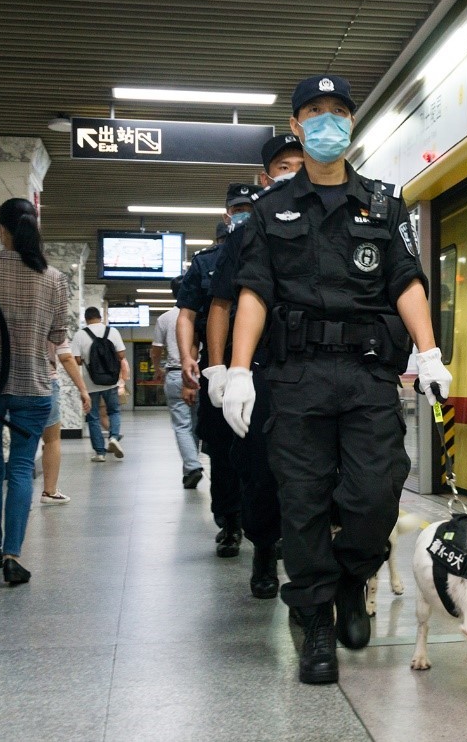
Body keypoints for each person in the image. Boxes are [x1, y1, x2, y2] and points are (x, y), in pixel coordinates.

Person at [223, 74, 451, 685]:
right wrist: (239, 369)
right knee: (301, 500)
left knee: (375, 494)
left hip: (367, 376)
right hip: (297, 378)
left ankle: (354, 577)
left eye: (339, 111)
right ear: (296, 125)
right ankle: (315, 622)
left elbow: (406, 279)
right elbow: (254, 293)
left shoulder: (383, 202)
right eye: (315, 111)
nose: (328, 120)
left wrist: (428, 353)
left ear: (353, 124)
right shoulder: (269, 211)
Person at [204, 133, 304, 599]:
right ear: (266, 177)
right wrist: (222, 369)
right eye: (285, 166)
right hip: (261, 367)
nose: (295, 172)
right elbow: (222, 303)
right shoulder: (246, 232)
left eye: (300, 164)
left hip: (314, 367)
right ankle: (264, 546)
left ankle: (311, 566)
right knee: (260, 469)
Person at [0, 198, 68, 585]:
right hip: (34, 385)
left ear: (2, 229)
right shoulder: (55, 278)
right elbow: (58, 337)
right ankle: (13, 555)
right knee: (23, 467)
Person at [177, 188, 258, 558]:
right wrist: (187, 357)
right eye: (237, 209)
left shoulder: (272, 254)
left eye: (249, 208)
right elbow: (188, 315)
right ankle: (229, 523)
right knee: (223, 452)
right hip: (219, 368)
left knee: (265, 450)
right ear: (226, 215)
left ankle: (266, 525)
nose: (243, 214)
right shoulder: (206, 262)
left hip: (264, 366)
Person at [153, 276, 203, 489]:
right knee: (195, 425)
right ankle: (189, 471)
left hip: (176, 373)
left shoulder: (165, 318)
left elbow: (156, 349)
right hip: (203, 373)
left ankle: (192, 466)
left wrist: (157, 368)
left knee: (182, 425)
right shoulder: (200, 314)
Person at [72, 306, 127, 463]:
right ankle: (114, 437)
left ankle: (100, 453)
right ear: (100, 317)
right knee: (114, 411)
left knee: (93, 417)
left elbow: (75, 360)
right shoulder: (112, 332)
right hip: (110, 381)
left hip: (90, 383)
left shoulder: (80, 335)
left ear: (86, 318)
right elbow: (121, 354)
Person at [39, 340, 91, 504]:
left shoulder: (5, 314)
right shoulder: (52, 317)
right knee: (52, 439)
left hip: (11, 384)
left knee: (22, 441)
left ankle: (19, 495)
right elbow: (66, 357)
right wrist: (83, 389)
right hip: (45, 381)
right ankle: (50, 491)